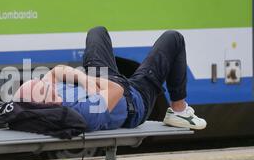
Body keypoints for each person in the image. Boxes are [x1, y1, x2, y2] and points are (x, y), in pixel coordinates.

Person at [13, 26, 207, 132]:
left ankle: (91, 77)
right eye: (44, 88)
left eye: (41, 83)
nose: (47, 84)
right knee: (174, 38)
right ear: (47, 102)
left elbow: (56, 72)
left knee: (97, 32)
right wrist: (89, 81)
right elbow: (116, 90)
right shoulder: (83, 111)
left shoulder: (48, 96)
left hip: (102, 81)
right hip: (135, 100)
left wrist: (84, 79)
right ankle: (179, 110)